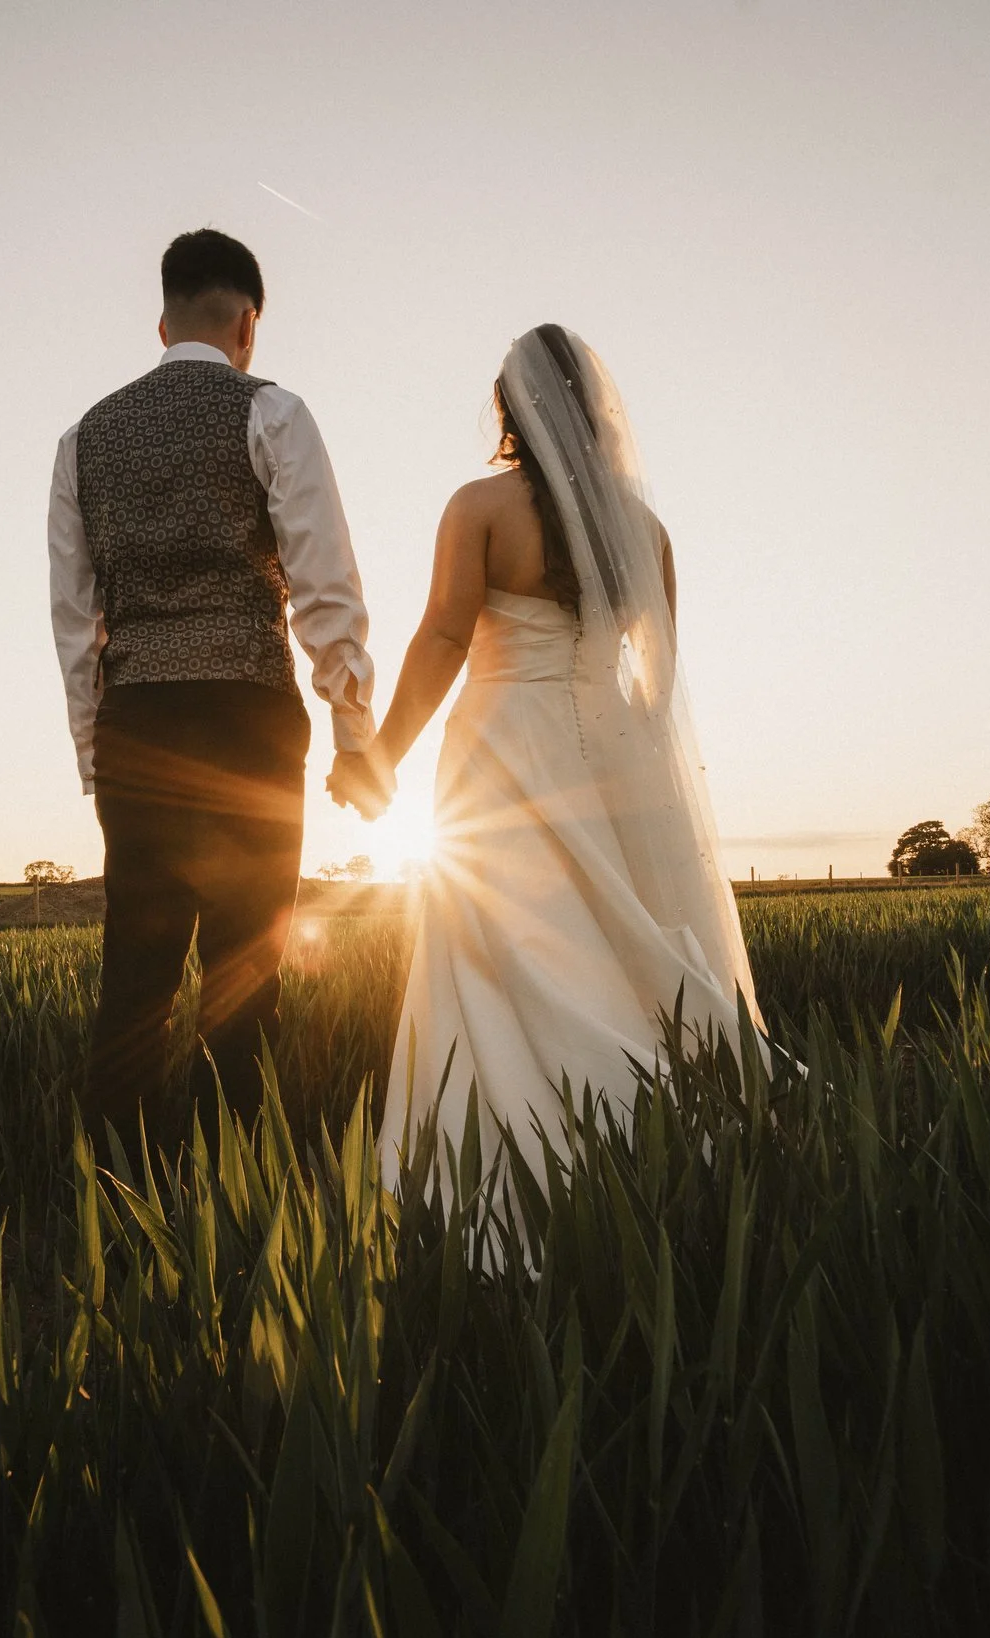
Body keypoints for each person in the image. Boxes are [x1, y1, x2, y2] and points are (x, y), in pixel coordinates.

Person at [351, 323, 766, 1185]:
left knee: (496, 939)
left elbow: (441, 638)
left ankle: (511, 1145)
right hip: (609, 749)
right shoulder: (646, 532)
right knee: (617, 931)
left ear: (511, 410)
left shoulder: (478, 509)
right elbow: (658, 686)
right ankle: (660, 1112)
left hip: (501, 743)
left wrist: (382, 753)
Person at [48, 230, 393, 1147]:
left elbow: (75, 623)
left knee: (135, 981)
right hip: (248, 717)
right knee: (246, 973)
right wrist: (358, 736)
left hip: (140, 724)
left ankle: (120, 1205)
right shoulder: (273, 412)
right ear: (248, 325)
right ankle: (235, 1198)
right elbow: (326, 590)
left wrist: (98, 755)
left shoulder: (83, 440)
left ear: (162, 322)